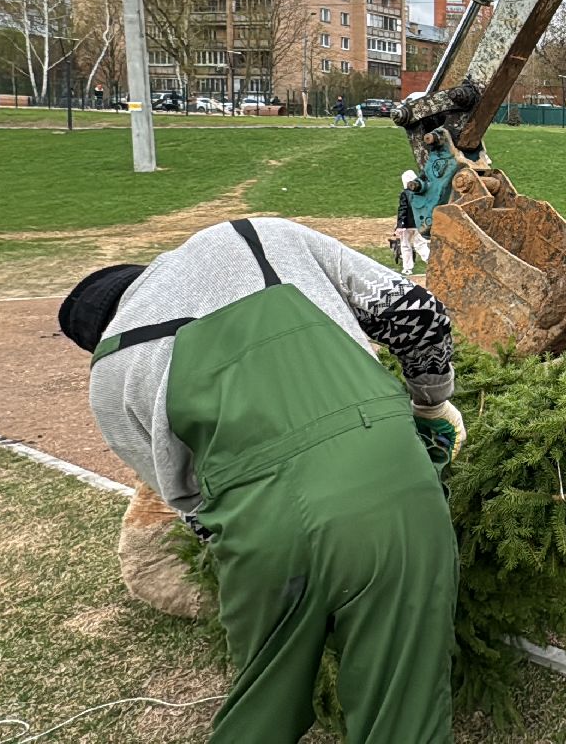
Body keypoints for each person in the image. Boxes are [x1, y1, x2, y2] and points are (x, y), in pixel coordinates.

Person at [58, 217, 466, 743]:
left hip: (260, 531)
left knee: (262, 711)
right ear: (147, 275)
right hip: (393, 482)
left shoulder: (108, 379)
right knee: (403, 714)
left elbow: (193, 507)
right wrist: (429, 404)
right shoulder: (253, 235)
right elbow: (420, 316)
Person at [395, 170, 431, 275]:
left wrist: (400, 225)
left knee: (405, 245)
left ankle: (407, 268)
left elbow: (403, 209)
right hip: (419, 224)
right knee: (420, 244)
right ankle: (430, 261)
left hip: (407, 225)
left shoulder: (405, 194)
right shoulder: (422, 193)